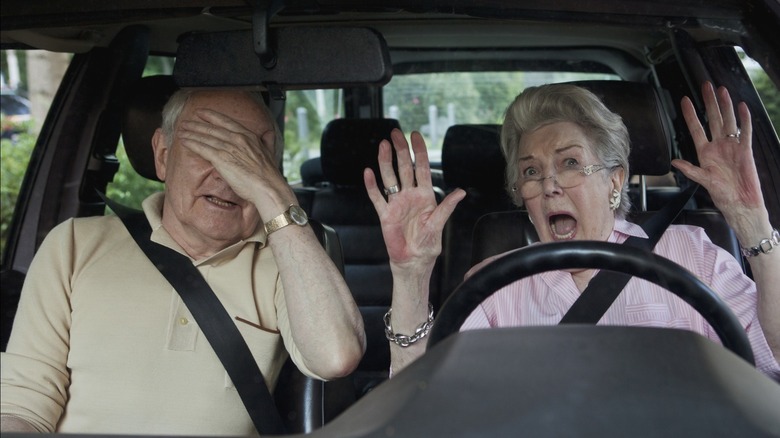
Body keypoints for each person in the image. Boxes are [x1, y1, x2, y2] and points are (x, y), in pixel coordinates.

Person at [0, 89, 366, 433]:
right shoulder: (75, 243)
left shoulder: (285, 263)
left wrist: (273, 196)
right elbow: (22, 405)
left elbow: (335, 357)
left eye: (249, 160)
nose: (227, 176)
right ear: (162, 155)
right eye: (208, 150)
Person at [364, 81, 779, 379]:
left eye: (570, 163)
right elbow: (422, 400)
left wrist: (750, 221)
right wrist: (411, 276)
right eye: (531, 171)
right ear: (521, 196)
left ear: (614, 182)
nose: (549, 185)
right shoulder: (492, 284)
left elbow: (772, 359)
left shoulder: (692, 254)